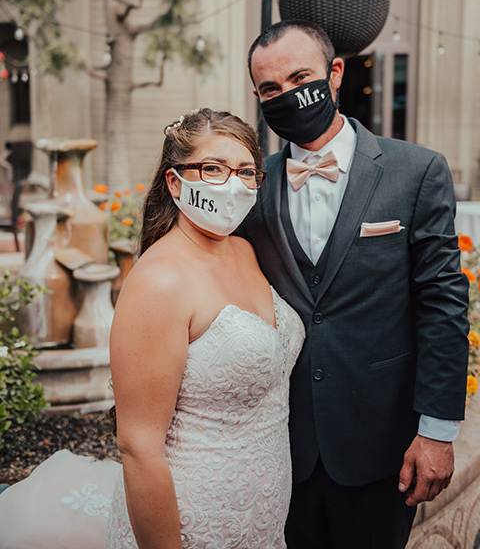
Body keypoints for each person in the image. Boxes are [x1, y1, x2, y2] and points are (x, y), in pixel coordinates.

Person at [0, 108, 305, 549]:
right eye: (213, 169)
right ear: (176, 182)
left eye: (245, 172)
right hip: (190, 523)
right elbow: (139, 448)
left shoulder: (246, 250)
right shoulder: (159, 280)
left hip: (263, 519)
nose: (233, 185)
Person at [239, 19, 470, 549]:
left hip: (383, 444)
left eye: (300, 78)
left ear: (335, 73)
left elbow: (442, 305)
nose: (287, 96)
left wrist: (437, 432)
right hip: (280, 448)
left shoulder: (416, 171)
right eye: (270, 89)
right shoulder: (253, 184)